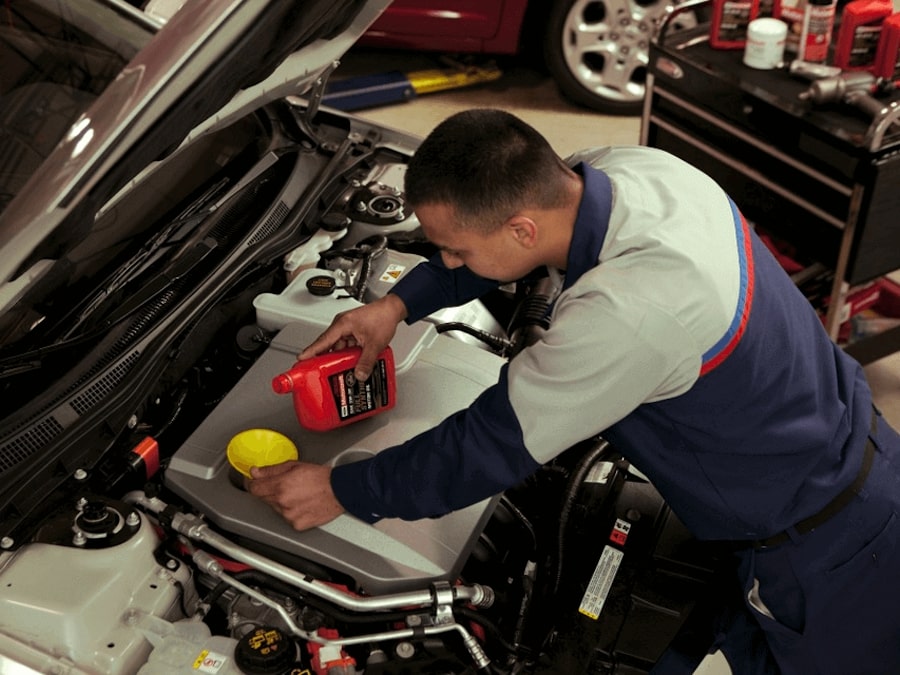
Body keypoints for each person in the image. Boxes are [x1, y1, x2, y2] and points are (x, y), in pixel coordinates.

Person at [247, 108, 900, 674]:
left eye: (454, 250)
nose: (446, 262)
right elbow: (497, 255)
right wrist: (394, 306)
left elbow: (485, 448)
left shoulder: (627, 310)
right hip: (845, 443)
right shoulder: (625, 170)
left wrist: (338, 489)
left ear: (521, 229)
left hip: (822, 546)